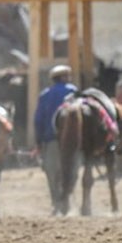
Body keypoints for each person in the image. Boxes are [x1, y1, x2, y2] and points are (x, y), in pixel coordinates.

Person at [34, 64, 78, 215]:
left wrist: (39, 141)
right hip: (72, 144)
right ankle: (65, 199)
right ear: (65, 77)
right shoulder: (73, 91)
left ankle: (56, 203)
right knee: (71, 170)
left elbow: (38, 119)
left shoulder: (45, 95)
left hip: (50, 140)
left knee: (52, 173)